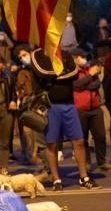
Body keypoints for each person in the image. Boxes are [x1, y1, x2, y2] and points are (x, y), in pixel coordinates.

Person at [30, 48, 99, 190]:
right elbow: (42, 73)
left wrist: (54, 77)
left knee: (79, 140)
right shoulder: (37, 55)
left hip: (69, 104)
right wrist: (62, 74)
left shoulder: (65, 54)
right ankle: (56, 179)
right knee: (52, 143)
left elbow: (74, 74)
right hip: (50, 105)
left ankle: (84, 177)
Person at [72, 49, 111, 172]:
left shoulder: (89, 69)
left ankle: (102, 162)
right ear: (74, 58)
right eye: (80, 56)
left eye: (84, 56)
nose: (83, 59)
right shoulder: (72, 71)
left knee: (100, 136)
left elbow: (97, 84)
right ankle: (86, 163)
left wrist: (86, 83)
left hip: (95, 108)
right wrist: (89, 76)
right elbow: (76, 84)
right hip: (80, 109)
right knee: (82, 138)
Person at [13, 45, 41, 164]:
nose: (23, 58)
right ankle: (28, 154)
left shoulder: (40, 67)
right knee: (27, 131)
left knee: (38, 130)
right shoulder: (21, 71)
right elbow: (19, 88)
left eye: (24, 55)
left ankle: (36, 154)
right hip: (27, 102)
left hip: (40, 101)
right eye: (20, 57)